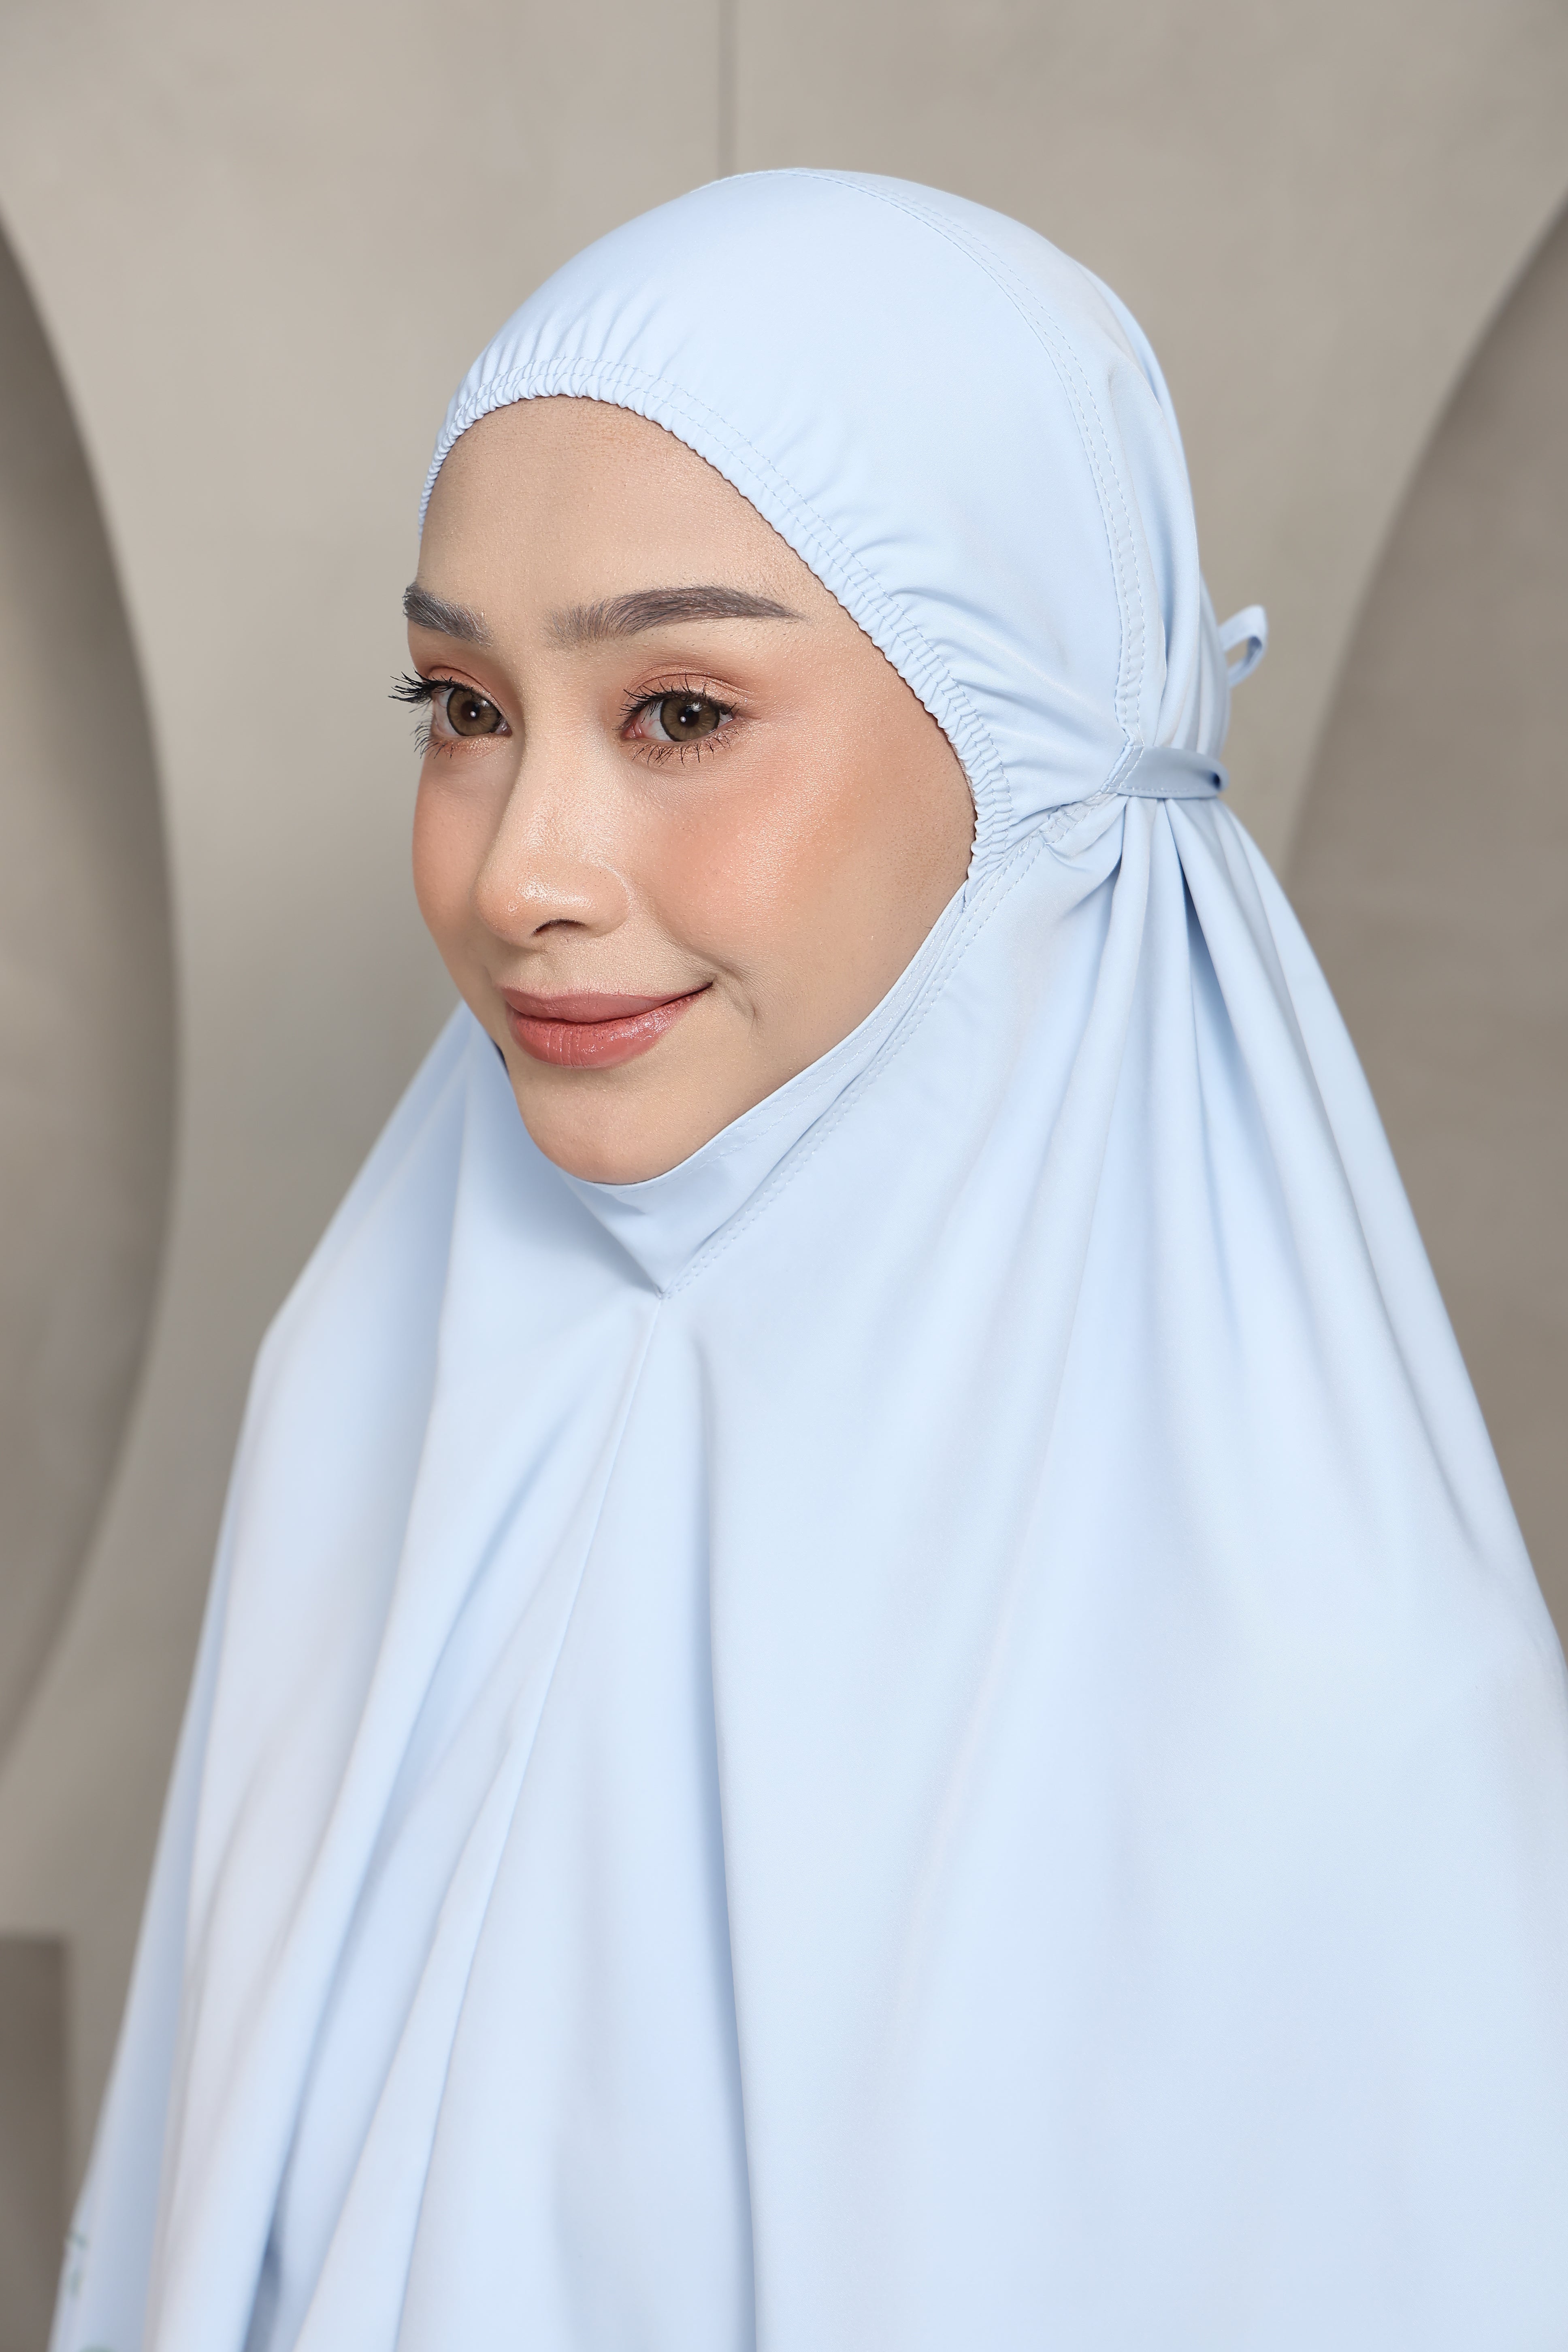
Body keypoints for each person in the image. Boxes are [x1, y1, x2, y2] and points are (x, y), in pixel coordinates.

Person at [52, 171, 1568, 2352]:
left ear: (1033, 753)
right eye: (460, 707)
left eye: (679, 712)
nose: (524, 873)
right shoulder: (364, 1412)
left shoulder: (1334, 1718)